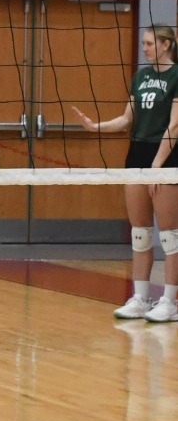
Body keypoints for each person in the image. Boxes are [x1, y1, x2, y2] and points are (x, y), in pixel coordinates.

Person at [71, 25, 178, 322]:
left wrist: (157, 165)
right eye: (143, 43)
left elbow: (175, 125)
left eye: (149, 43)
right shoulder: (141, 77)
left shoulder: (176, 76)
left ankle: (170, 301)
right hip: (137, 155)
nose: (144, 48)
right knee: (140, 232)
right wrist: (95, 127)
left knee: (170, 236)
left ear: (166, 45)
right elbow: (126, 119)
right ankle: (140, 298)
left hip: (166, 157)